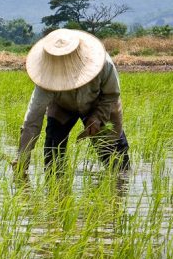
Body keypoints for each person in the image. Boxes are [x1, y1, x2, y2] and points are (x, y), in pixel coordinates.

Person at [12, 28, 129, 178]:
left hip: (99, 104)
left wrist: (97, 117)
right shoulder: (45, 78)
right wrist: (22, 158)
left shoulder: (103, 64)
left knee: (116, 159)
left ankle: (118, 188)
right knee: (53, 154)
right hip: (62, 107)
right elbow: (32, 120)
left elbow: (111, 95)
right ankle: (56, 192)